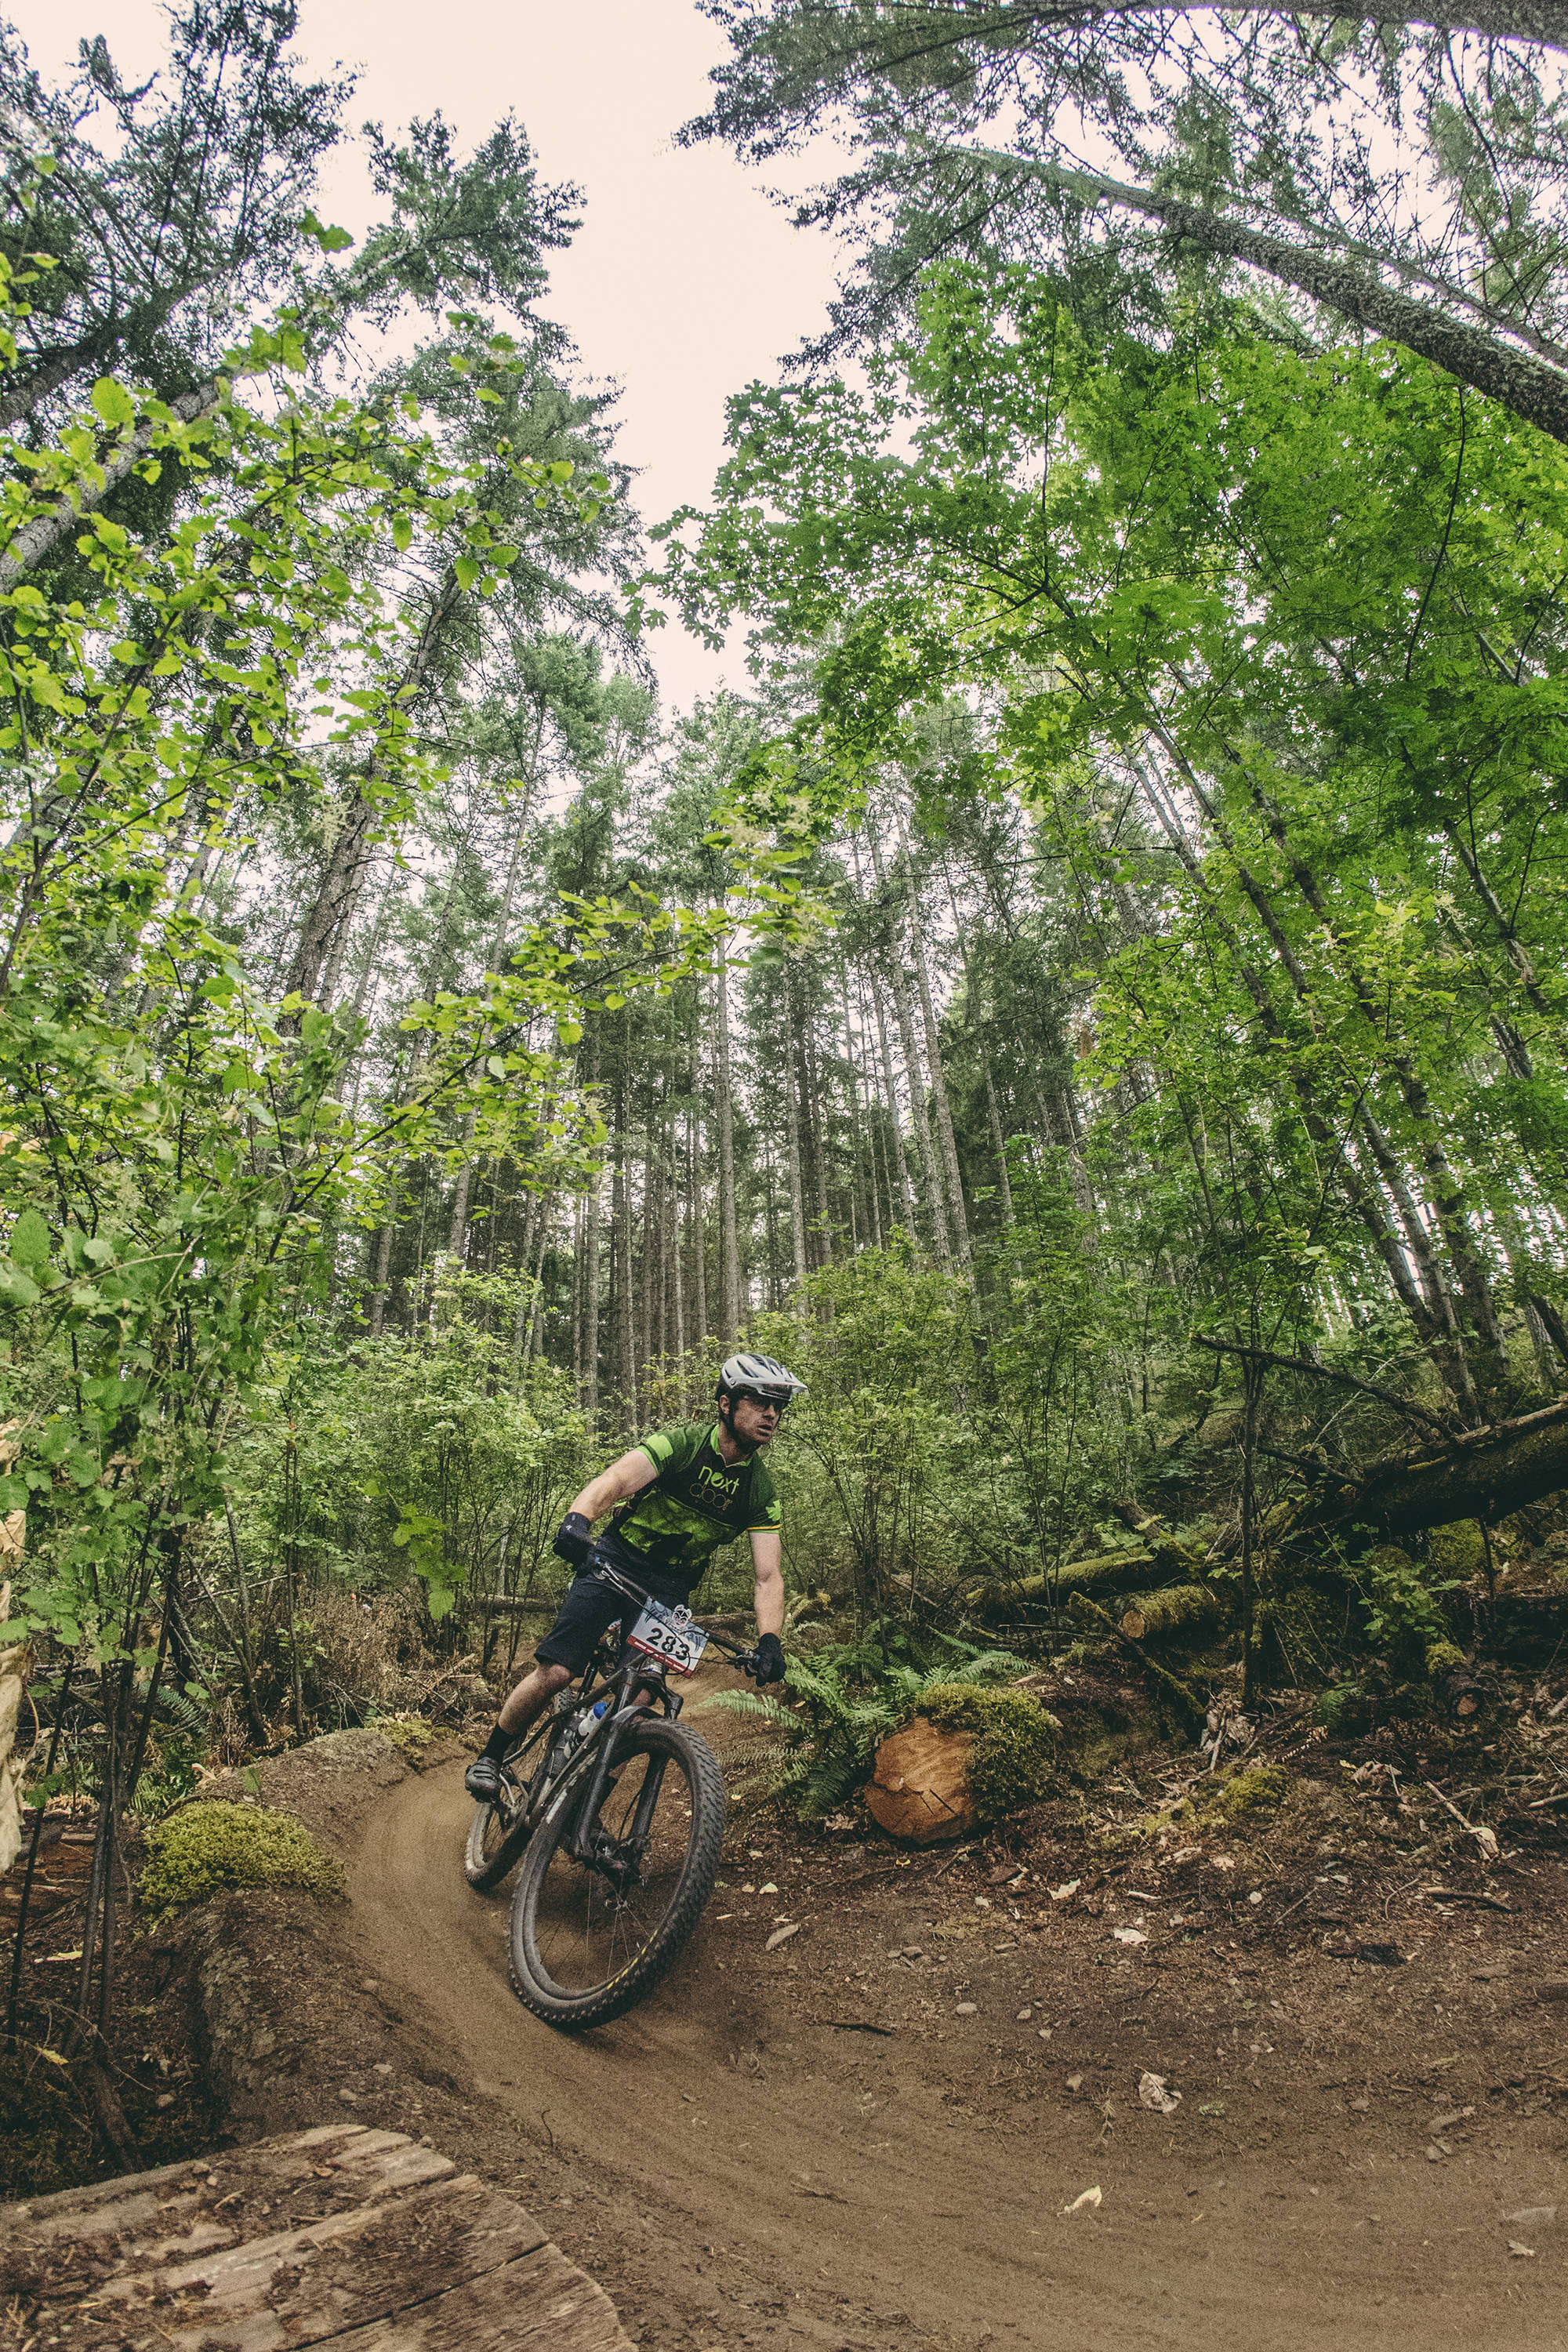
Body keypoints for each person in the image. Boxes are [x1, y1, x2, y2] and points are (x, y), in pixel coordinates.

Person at [464, 1352, 805, 1802]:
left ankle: (583, 1806)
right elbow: (615, 1480)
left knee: (641, 1699)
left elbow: (768, 1576)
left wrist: (770, 1639)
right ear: (726, 1403)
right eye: (761, 1402)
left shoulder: (760, 1492)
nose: (772, 1414)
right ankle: (491, 1756)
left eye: (778, 1406)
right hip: (613, 1563)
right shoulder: (680, 1445)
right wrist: (578, 1521)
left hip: (670, 1588)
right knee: (558, 1672)